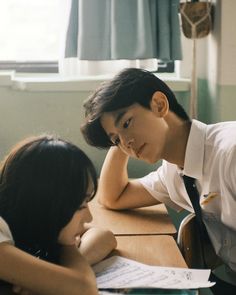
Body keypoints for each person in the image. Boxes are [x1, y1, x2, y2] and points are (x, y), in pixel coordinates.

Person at [81, 68, 236, 292]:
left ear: (159, 105)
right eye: (115, 140)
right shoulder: (174, 172)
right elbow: (113, 196)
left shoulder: (229, 153)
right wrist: (123, 138)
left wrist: (123, 136)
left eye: (126, 122)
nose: (126, 144)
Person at [0, 135, 117, 295]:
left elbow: (105, 237)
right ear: (46, 204)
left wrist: (55, 276)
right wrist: (64, 278)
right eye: (80, 205)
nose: (89, 217)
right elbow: (83, 288)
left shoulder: (22, 216)